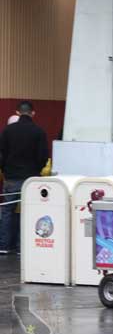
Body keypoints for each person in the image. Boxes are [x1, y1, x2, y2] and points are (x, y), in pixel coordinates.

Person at [0, 101, 49, 254]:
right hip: (31, 179)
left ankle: (5, 246)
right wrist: (36, 170)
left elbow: (1, 154)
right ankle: (24, 246)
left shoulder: (7, 131)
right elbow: (43, 156)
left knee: (7, 210)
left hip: (11, 177)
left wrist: (5, 170)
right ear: (33, 113)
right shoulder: (39, 132)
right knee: (29, 210)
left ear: (17, 112)